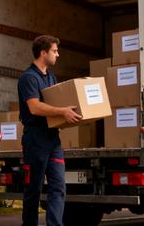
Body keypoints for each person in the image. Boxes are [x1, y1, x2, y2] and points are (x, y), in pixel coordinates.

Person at [18, 35, 82, 226]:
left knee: (58, 186)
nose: (58, 54)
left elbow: (55, 106)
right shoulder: (28, 78)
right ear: (43, 52)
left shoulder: (51, 77)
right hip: (35, 140)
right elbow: (35, 107)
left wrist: (70, 114)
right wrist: (62, 111)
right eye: (54, 51)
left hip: (52, 139)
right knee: (34, 189)